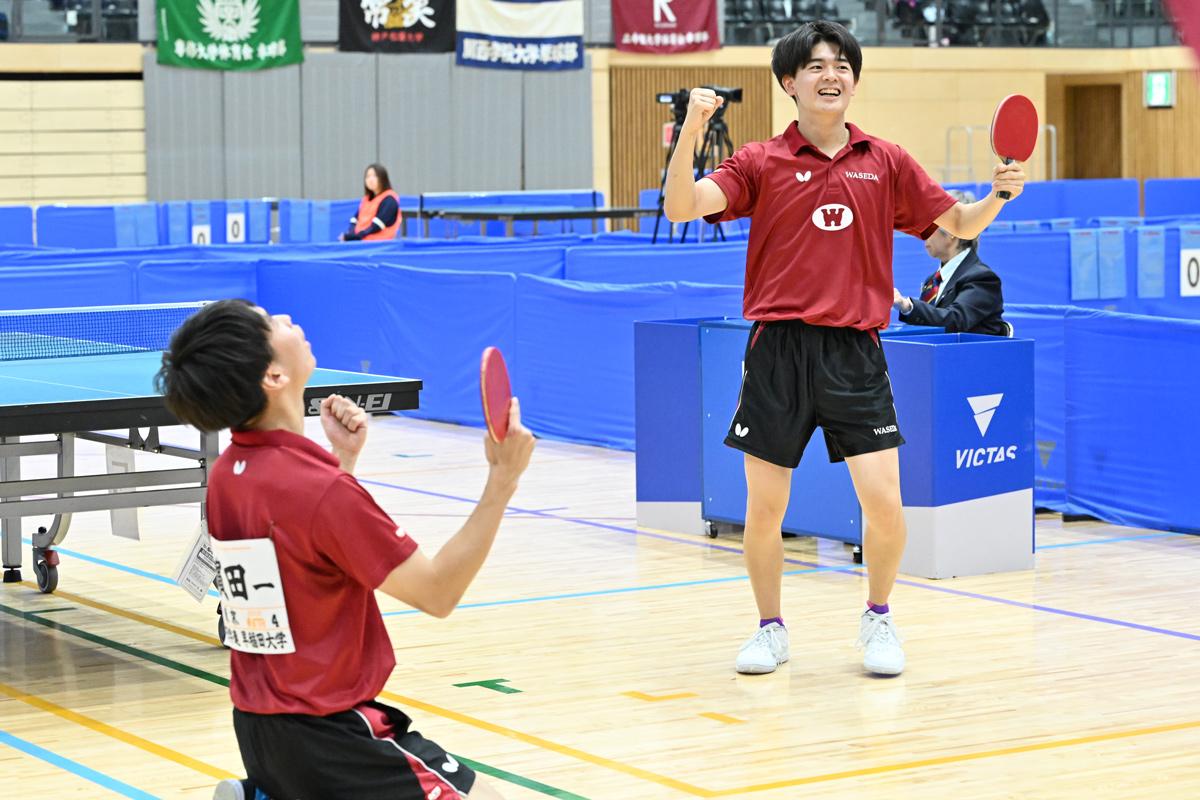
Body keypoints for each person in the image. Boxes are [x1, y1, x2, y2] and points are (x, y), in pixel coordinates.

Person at [663, 20, 1025, 677]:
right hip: (778, 351)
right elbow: (682, 207)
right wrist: (692, 126)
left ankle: (879, 619)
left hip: (856, 351)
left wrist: (999, 194)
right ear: (789, 82)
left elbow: (959, 224)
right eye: (817, 64)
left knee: (885, 502)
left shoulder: (885, 161)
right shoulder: (760, 162)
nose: (832, 74)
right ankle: (770, 629)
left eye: (843, 65)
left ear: (854, 81)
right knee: (765, 508)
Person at [155, 299, 534, 800]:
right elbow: (438, 591)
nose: (288, 320)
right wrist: (502, 480)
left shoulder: (228, 475)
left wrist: (342, 461)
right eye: (273, 323)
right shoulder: (319, 492)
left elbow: (301, 563)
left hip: (261, 728)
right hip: (333, 738)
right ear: (272, 376)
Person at [894, 189, 1009, 336]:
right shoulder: (931, 282)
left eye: (929, 226)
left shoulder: (983, 279)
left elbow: (955, 321)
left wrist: (907, 306)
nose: (922, 233)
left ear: (952, 231)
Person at [341, 163, 401, 241]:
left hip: (378, 246)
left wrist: (354, 237)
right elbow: (354, 220)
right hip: (362, 243)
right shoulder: (366, 200)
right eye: (368, 176)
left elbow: (376, 227)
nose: (370, 179)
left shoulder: (389, 200)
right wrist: (351, 234)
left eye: (374, 176)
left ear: (383, 178)